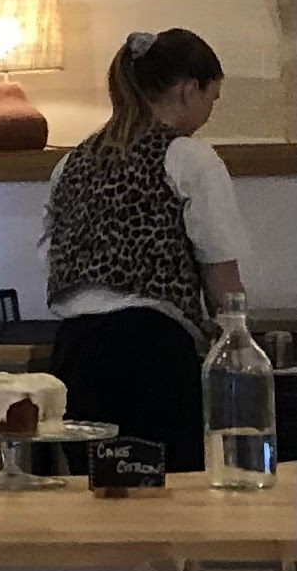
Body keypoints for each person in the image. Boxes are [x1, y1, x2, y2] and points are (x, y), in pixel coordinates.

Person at [43, 27, 248, 472]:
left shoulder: (69, 163)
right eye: (212, 99)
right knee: (171, 492)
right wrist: (239, 343)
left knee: (98, 491)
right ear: (189, 89)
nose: (208, 113)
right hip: (152, 352)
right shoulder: (189, 157)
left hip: (73, 352)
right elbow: (221, 278)